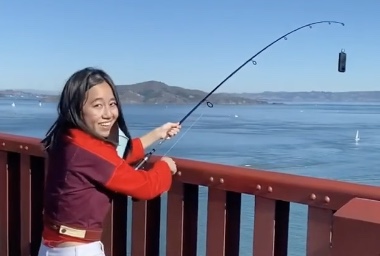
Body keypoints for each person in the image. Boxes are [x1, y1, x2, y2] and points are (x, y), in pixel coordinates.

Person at [37, 67, 181, 256]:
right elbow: (144, 186)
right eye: (97, 106)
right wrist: (165, 167)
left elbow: (111, 159)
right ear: (76, 108)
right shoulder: (91, 151)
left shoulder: (68, 138)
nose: (109, 114)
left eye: (112, 104)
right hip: (78, 250)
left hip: (50, 246)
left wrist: (157, 134)